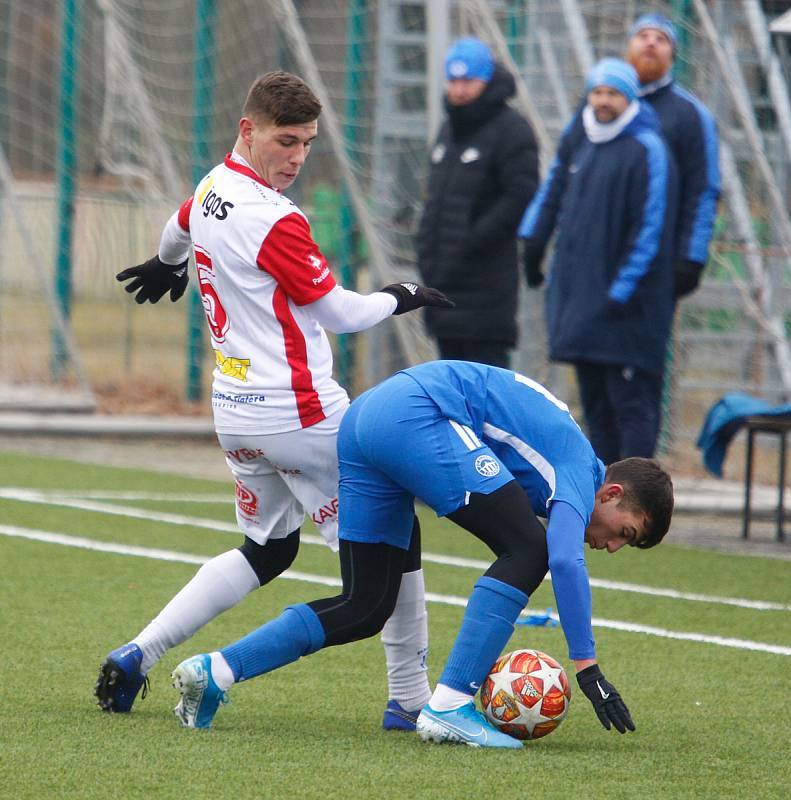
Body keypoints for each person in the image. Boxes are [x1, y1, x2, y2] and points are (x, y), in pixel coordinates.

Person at [96, 71, 453, 732]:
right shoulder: (275, 219)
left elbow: (177, 227)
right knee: (390, 547)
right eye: (284, 141)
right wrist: (401, 295)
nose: (295, 157)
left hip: (236, 415)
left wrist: (165, 261)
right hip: (303, 416)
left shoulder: (212, 187)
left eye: (307, 144)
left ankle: (136, 653)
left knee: (267, 548)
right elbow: (341, 313)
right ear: (247, 130)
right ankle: (408, 699)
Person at [168, 360, 674, 748]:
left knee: (364, 605)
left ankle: (217, 671)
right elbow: (563, 558)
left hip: (368, 420)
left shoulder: (571, 462)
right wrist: (588, 669)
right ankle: (450, 705)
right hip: (417, 414)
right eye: (624, 533)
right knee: (529, 548)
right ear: (610, 494)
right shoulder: (582, 469)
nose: (610, 545)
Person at [519, 58, 677, 466]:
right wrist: (533, 243)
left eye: (613, 93)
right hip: (583, 303)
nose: (604, 101)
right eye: (598, 92)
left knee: (632, 406)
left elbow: (652, 230)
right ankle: (602, 495)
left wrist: (621, 291)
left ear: (629, 99)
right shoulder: (579, 136)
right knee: (595, 408)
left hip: (627, 311)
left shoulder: (648, 149)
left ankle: (639, 499)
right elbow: (551, 191)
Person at [416, 37, 538, 369]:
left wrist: (471, 242)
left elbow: (521, 195)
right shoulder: (449, 129)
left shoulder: (512, 130)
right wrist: (428, 251)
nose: (459, 90)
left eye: (468, 81)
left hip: (487, 289)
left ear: (486, 80)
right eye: (453, 81)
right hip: (444, 285)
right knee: (450, 384)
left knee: (485, 388)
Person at [625, 13, 720, 300]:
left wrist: (690, 257)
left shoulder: (690, 114)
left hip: (656, 260)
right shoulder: (604, 104)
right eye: (643, 36)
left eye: (661, 39)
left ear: (673, 55)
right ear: (628, 47)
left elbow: (702, 188)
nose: (651, 43)